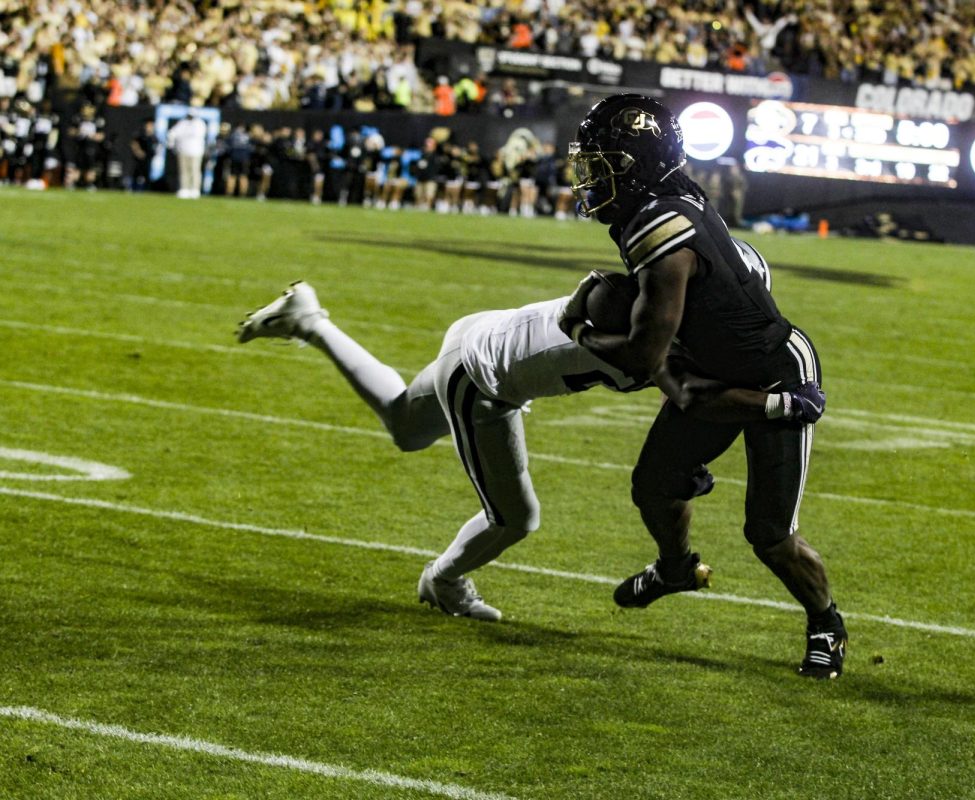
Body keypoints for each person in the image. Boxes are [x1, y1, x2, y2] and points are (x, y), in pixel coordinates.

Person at [559, 94, 846, 679]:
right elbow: (740, 264)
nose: (590, 175)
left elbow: (642, 358)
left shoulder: (657, 226)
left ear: (634, 163)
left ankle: (826, 622)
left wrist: (582, 334)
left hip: (774, 373)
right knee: (654, 487)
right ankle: (675, 568)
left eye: (602, 162)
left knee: (769, 534)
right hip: (709, 363)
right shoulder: (675, 193)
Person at [235, 279, 651, 621]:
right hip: (483, 375)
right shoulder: (667, 341)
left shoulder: (667, 295)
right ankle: (443, 580)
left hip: (485, 331)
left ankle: (309, 321)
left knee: (406, 427)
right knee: (515, 518)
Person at [166, 111, 207, 199]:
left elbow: (197, 135)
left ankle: (195, 189)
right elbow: (172, 133)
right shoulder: (182, 123)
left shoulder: (200, 124)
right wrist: (171, 144)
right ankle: (184, 188)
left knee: (194, 170)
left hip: (196, 151)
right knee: (184, 171)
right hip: (183, 150)